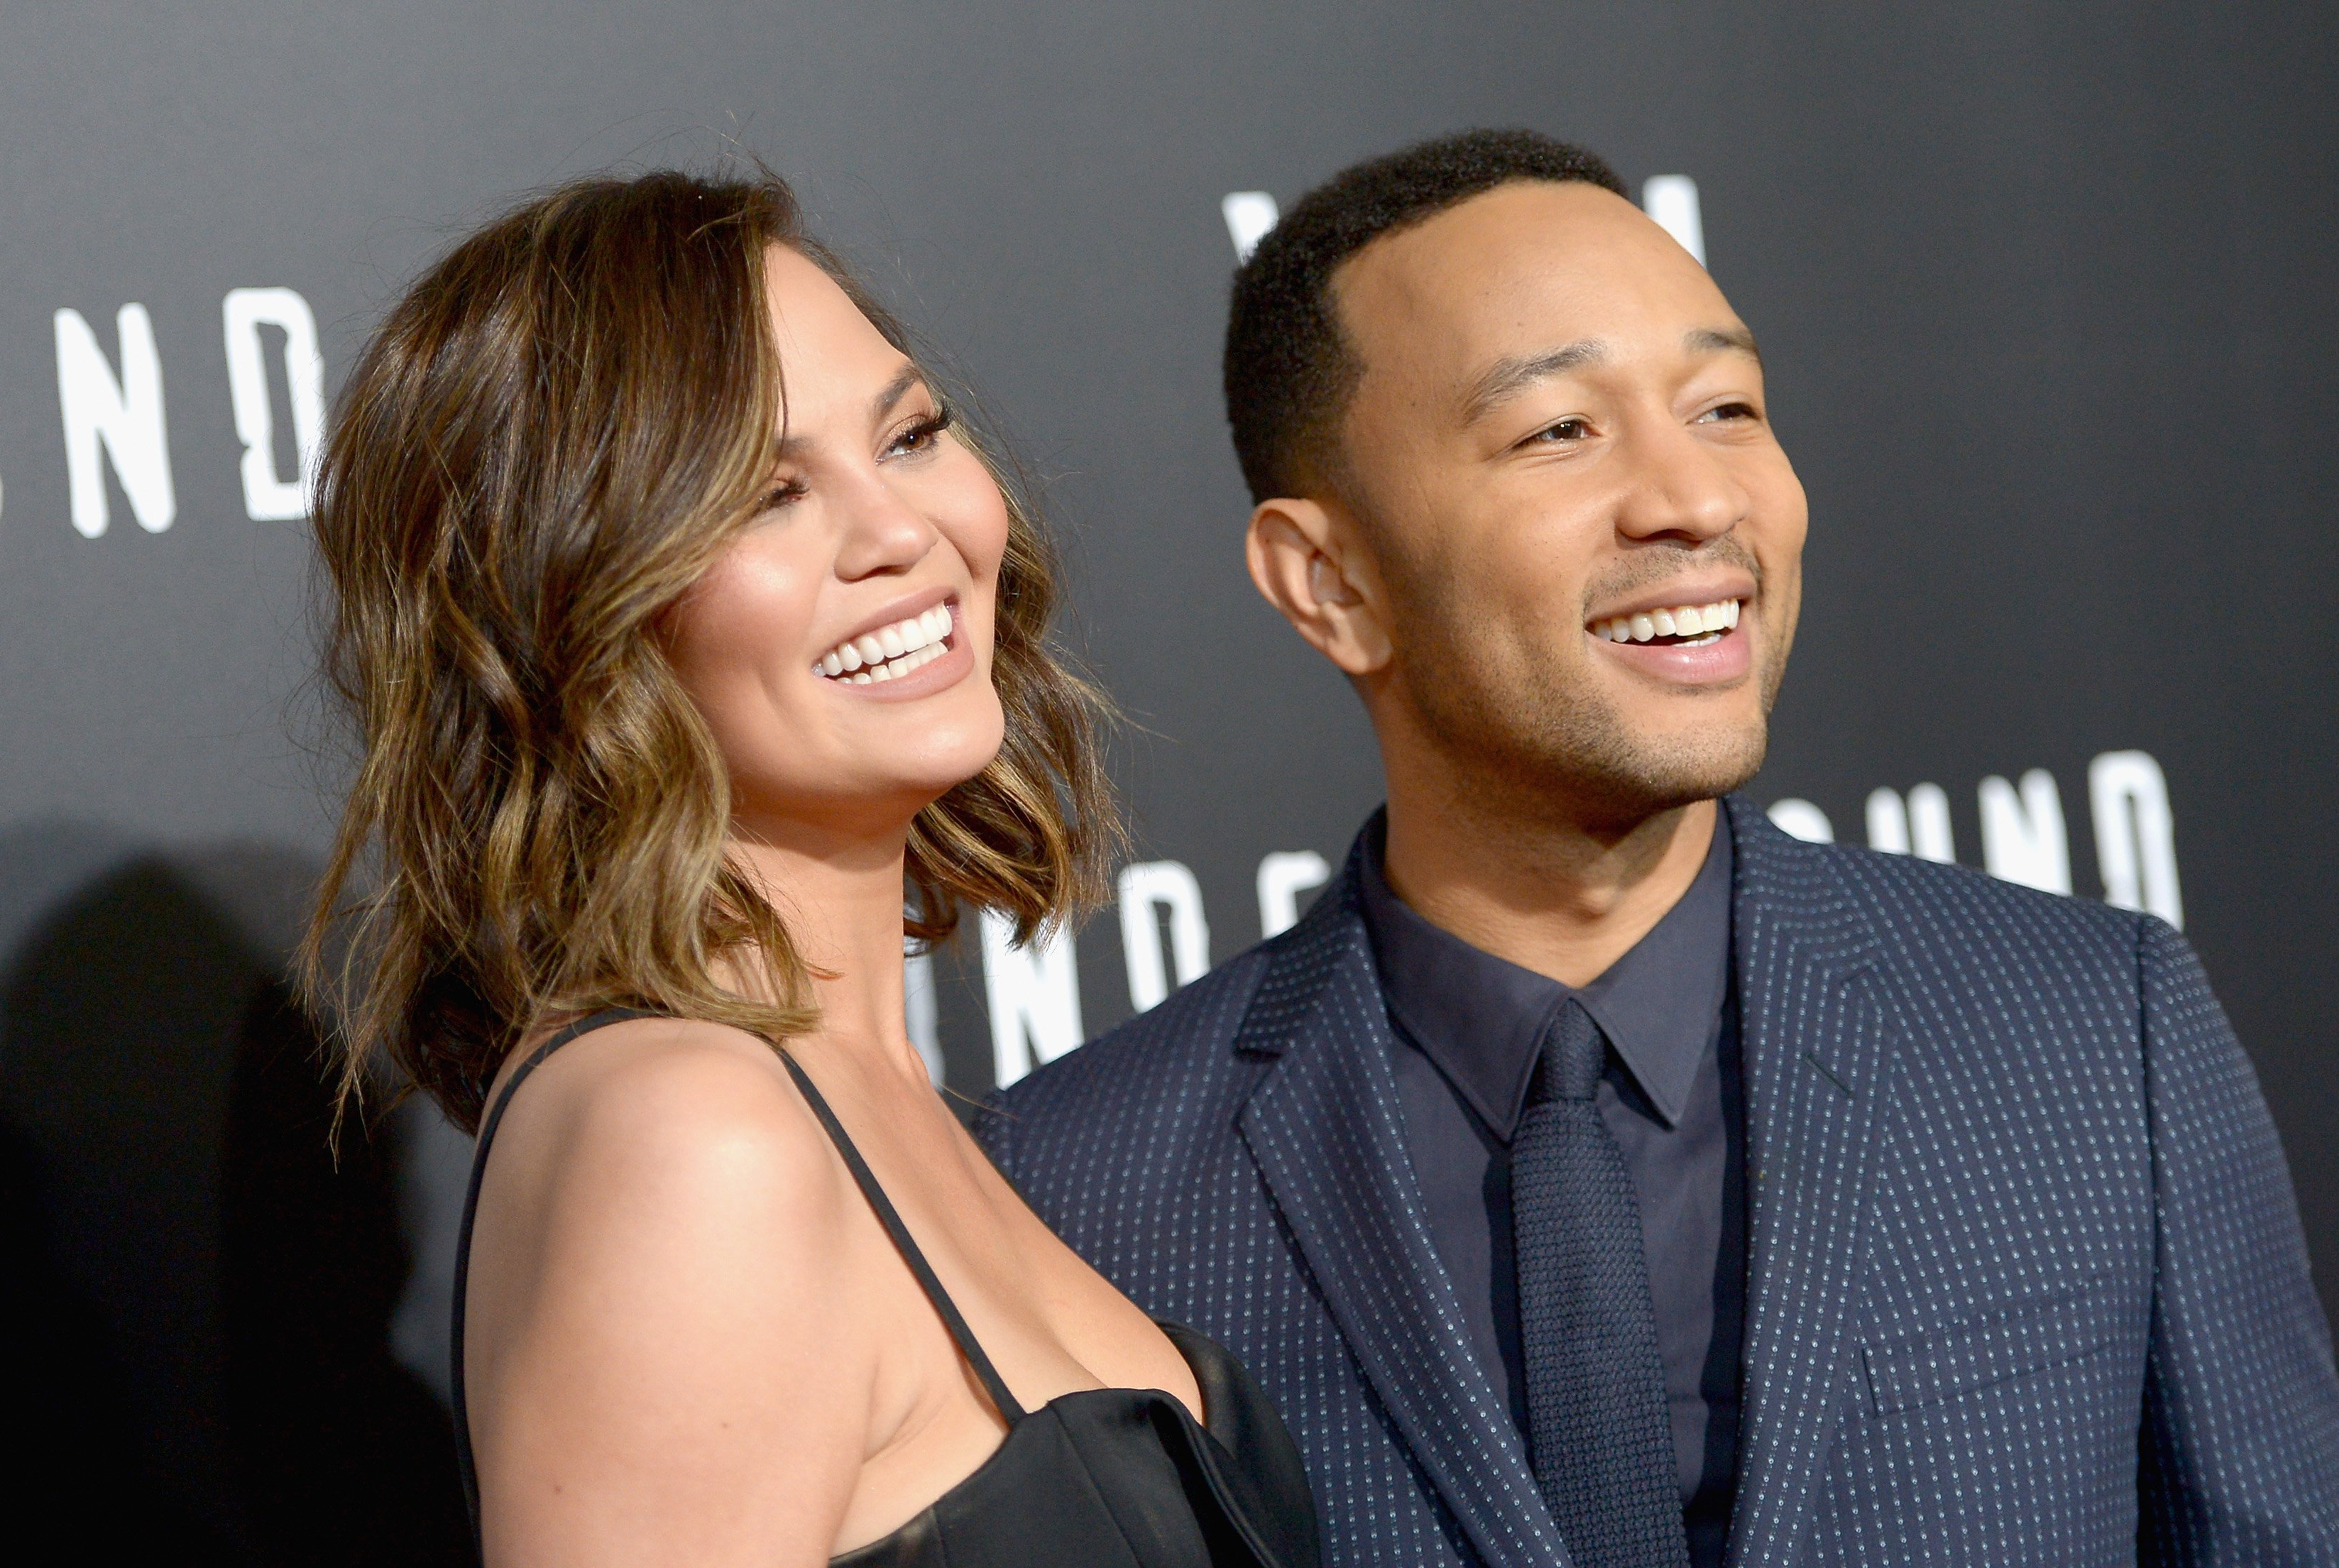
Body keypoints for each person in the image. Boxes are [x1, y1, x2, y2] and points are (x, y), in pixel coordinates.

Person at [978, 129, 2339, 1567]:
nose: (1694, 499)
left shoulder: (2085, 1029)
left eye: (1730, 405)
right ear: (1332, 582)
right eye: (1560, 429)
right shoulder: (1084, 1189)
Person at [304, 168, 1318, 1568]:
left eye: (909, 436)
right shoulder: (697, 1141)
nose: (904, 531)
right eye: (764, 495)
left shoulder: (857, 1092)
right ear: (563, 608)